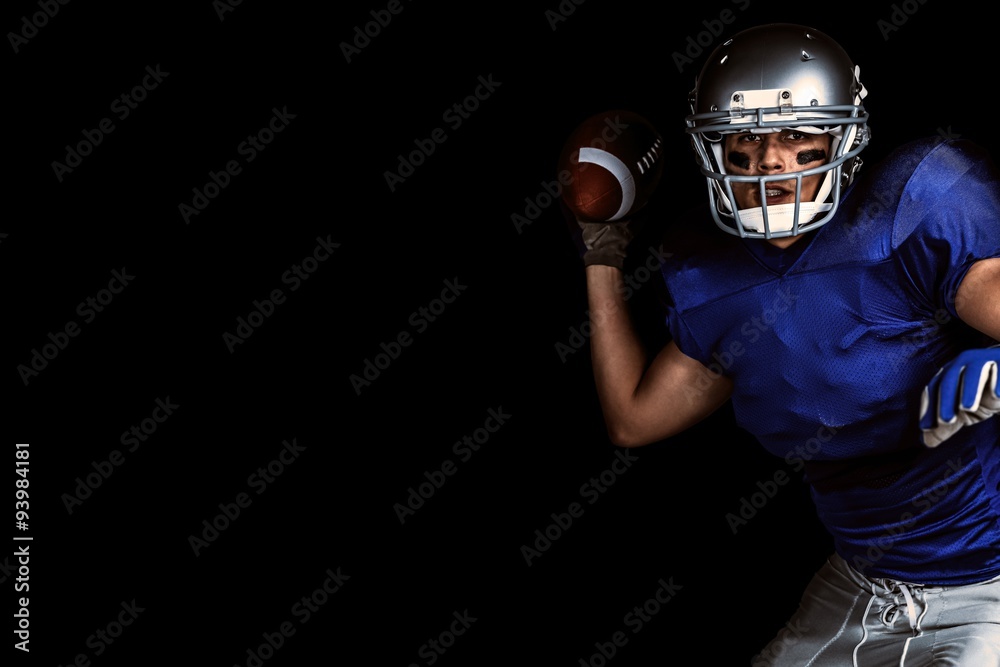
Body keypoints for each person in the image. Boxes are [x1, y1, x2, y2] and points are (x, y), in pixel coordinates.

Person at [569, 22, 1000, 666]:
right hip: (859, 586)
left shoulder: (912, 210)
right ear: (717, 150)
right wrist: (601, 258)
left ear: (843, 136)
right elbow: (633, 420)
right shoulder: (707, 272)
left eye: (797, 133)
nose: (770, 159)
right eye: (746, 138)